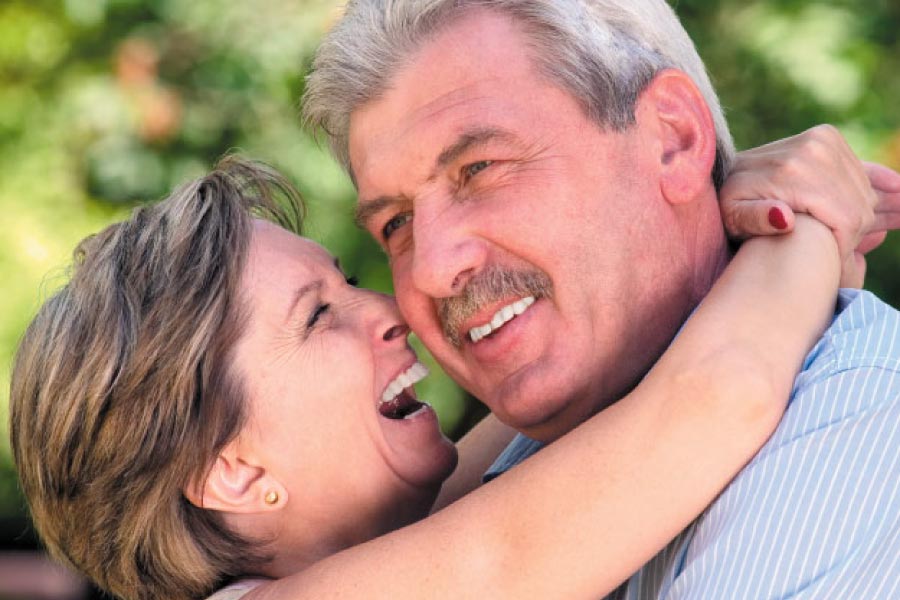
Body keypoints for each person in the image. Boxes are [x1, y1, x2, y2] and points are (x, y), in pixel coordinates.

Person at [8, 152, 875, 600]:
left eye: (344, 283)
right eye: (316, 318)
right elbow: (707, 403)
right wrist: (803, 222)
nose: (384, 307)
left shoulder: (402, 542)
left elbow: (600, 383)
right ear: (232, 470)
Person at [302, 0, 900, 597]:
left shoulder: (857, 426)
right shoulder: (488, 500)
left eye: (480, 167)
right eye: (396, 224)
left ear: (675, 138)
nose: (431, 271)